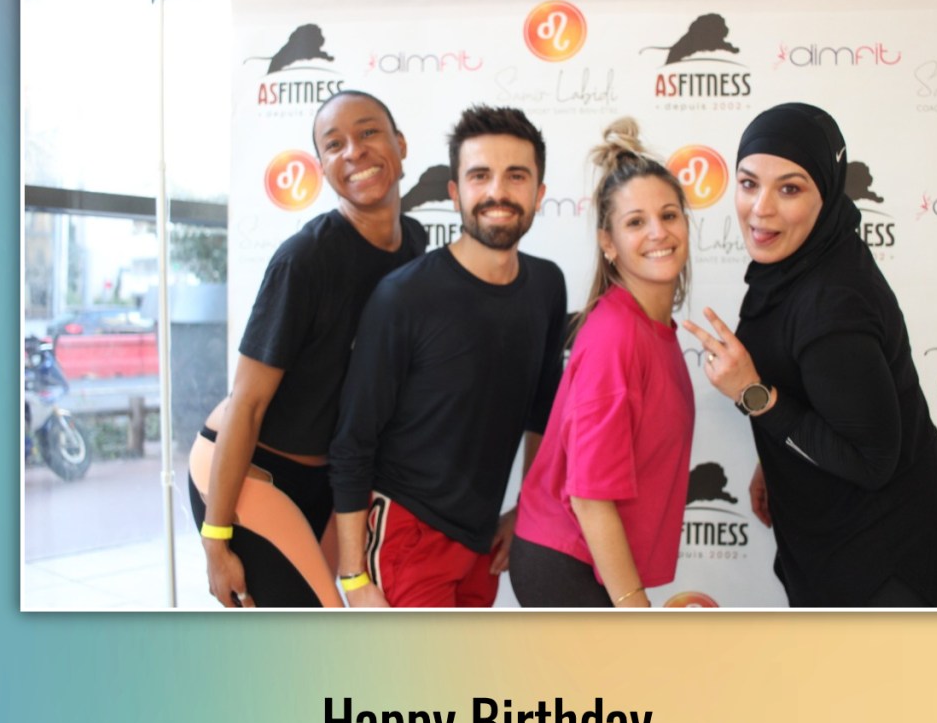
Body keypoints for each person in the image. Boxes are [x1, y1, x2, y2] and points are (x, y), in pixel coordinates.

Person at [683, 102, 937, 608]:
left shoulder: (832, 304)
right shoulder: (807, 258)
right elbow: (820, 392)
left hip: (889, 555)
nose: (760, 208)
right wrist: (776, 456)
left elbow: (872, 462)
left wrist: (753, 395)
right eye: (748, 183)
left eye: (789, 188)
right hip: (847, 535)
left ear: (827, 193)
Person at [188, 90, 427, 608]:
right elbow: (247, 404)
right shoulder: (305, 260)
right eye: (334, 144)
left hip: (331, 478)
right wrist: (215, 540)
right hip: (252, 472)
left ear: (401, 144)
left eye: (368, 133)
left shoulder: (414, 244)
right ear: (322, 167)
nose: (354, 152)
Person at [328, 105, 567, 608]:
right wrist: (353, 577)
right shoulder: (404, 296)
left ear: (539, 193)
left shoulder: (547, 285)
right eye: (480, 176)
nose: (497, 192)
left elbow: (543, 411)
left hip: (482, 542)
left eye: (516, 176)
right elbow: (353, 441)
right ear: (456, 193)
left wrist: (525, 507)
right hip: (407, 537)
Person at [509, 118, 695, 608]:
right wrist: (635, 609)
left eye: (669, 215)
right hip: (568, 564)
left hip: (593, 562)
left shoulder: (651, 329)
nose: (658, 232)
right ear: (608, 243)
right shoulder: (617, 337)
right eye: (635, 222)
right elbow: (590, 498)